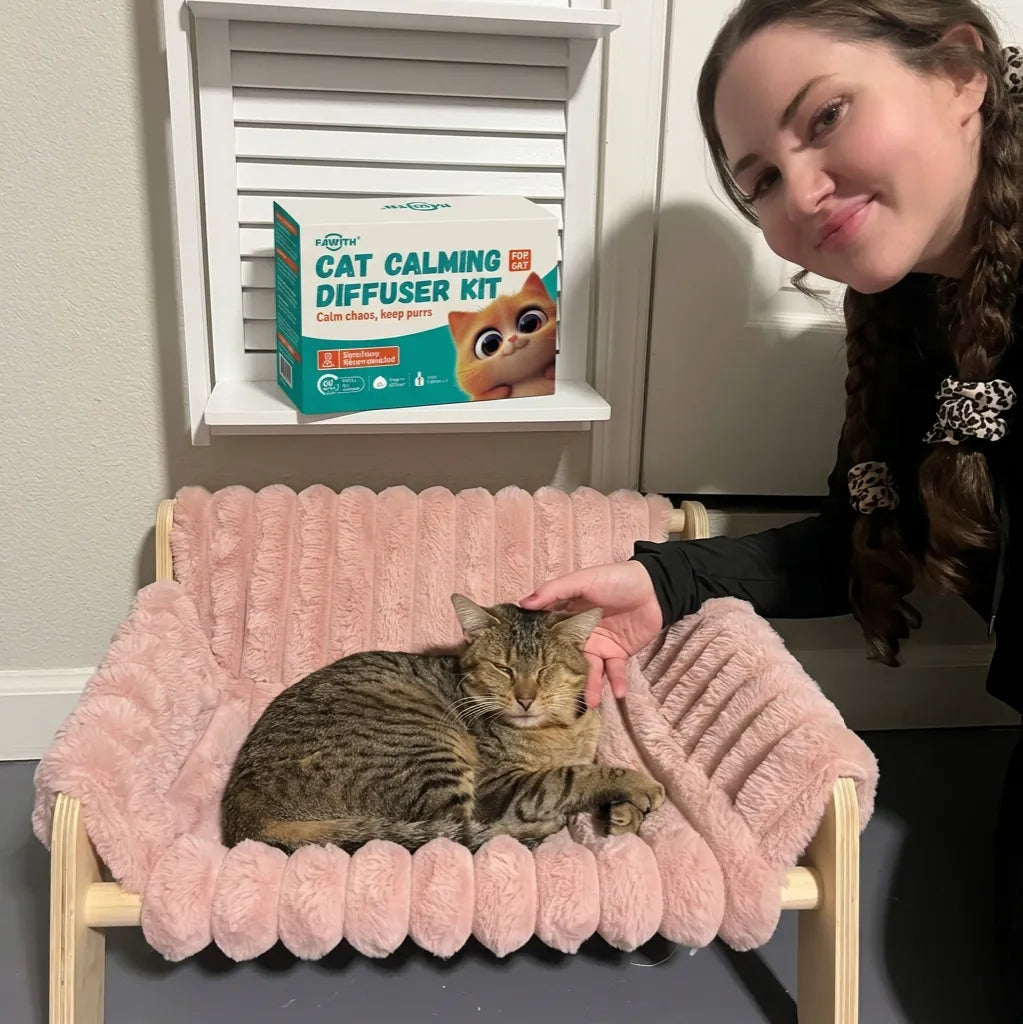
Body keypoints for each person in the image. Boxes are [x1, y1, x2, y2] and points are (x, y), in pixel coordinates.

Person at [520, 0, 1023, 1016]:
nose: (802, 191)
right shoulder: (912, 311)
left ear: (961, 72)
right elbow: (863, 540)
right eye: (760, 180)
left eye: (827, 116)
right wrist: (665, 578)